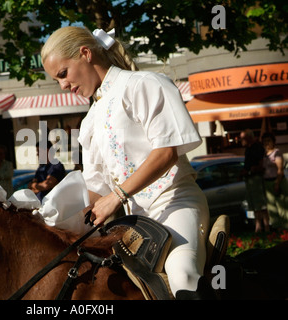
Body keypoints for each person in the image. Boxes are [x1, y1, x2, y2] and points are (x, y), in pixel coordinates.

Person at [41, 26, 213, 299]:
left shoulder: (146, 84)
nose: (62, 85)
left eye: (63, 74)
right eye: (57, 79)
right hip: (136, 224)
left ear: (85, 53)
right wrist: (49, 217)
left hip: (175, 201)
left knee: (182, 273)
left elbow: (167, 152)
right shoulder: (89, 123)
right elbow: (97, 189)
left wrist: (117, 196)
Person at [240, 129, 270, 233]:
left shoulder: (257, 147)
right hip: (249, 179)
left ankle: (266, 227)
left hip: (256, 179)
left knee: (260, 204)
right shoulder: (248, 149)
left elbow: (261, 164)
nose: (241, 140)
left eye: (243, 138)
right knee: (254, 205)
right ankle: (259, 227)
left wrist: (253, 169)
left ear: (249, 137)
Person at [262, 132, 288, 229]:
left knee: (282, 206)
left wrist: (277, 183)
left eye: (269, 141)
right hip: (267, 182)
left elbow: (280, 169)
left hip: (277, 182)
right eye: (264, 141)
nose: (267, 143)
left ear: (273, 142)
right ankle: (277, 229)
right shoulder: (264, 154)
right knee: (272, 207)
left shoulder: (277, 152)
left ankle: (286, 228)